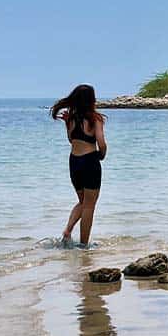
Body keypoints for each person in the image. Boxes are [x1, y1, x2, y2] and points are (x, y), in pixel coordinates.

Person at [51, 84, 108, 245]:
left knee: (83, 202)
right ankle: (84, 245)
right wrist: (101, 156)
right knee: (89, 206)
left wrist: (66, 123)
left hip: (74, 162)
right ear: (91, 100)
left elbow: (71, 140)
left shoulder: (71, 119)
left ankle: (68, 231)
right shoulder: (95, 118)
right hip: (90, 161)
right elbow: (101, 143)